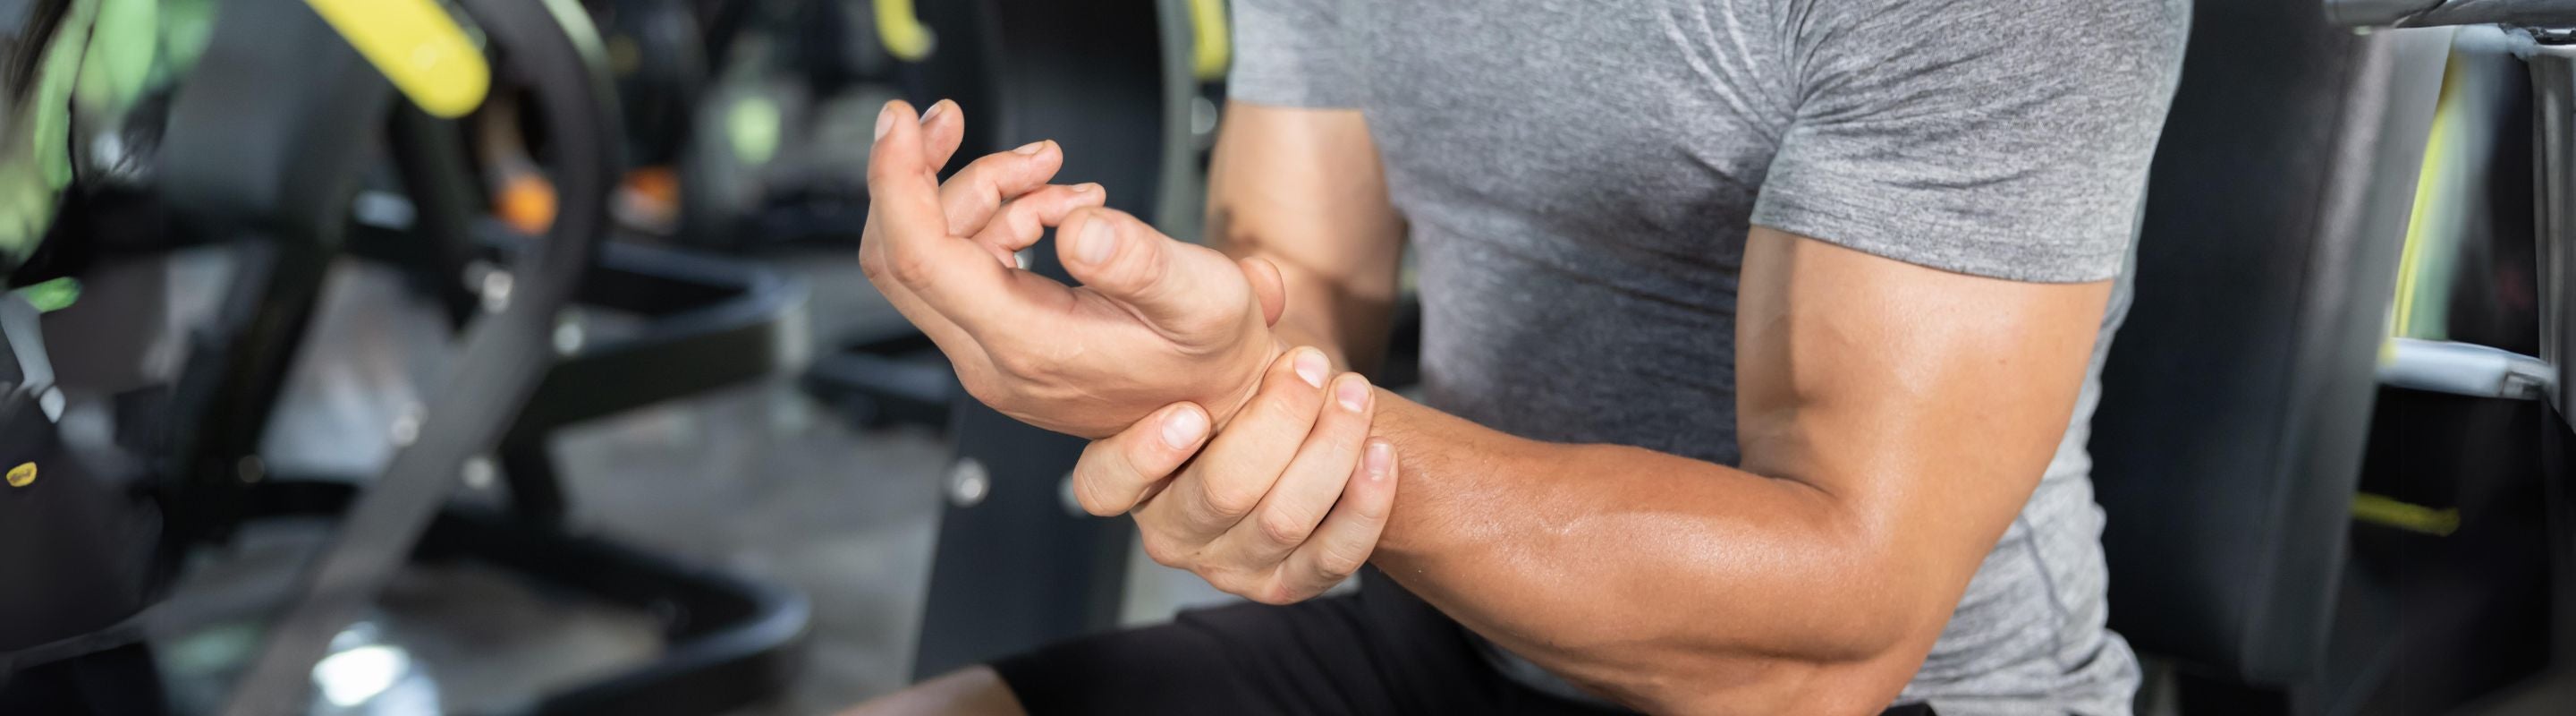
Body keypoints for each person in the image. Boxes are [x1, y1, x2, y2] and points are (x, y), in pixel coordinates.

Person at [845, 0, 2190, 712]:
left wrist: (1272, 417)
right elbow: (1295, 309)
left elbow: (1833, 640)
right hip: (1454, 646)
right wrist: (1161, 353)